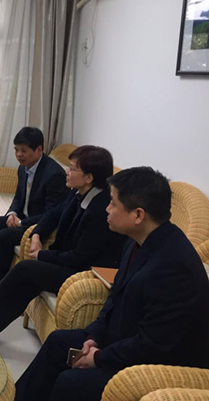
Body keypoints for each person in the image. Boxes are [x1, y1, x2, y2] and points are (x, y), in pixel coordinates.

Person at [14, 167, 209, 401]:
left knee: (71, 382)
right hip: (124, 340)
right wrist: (94, 336)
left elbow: (153, 345)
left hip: (156, 367)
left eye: (113, 204)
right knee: (58, 342)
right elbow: (114, 297)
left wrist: (98, 358)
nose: (106, 209)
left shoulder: (174, 268)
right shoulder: (137, 240)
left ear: (138, 215)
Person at [0, 146, 127, 335]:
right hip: (69, 261)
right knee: (28, 282)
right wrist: (36, 234)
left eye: (72, 169)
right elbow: (53, 214)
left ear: (89, 177)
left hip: (85, 273)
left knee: (25, 268)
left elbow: (80, 258)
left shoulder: (100, 211)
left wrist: (42, 255)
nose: (66, 172)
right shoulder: (78, 191)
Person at [0, 127, 69, 295]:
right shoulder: (23, 168)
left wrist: (22, 223)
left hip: (39, 226)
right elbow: (18, 197)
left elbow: (52, 214)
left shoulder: (54, 175)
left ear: (39, 149)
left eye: (23, 151)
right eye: (16, 150)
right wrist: (12, 214)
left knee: (4, 235)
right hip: (23, 218)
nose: (18, 155)